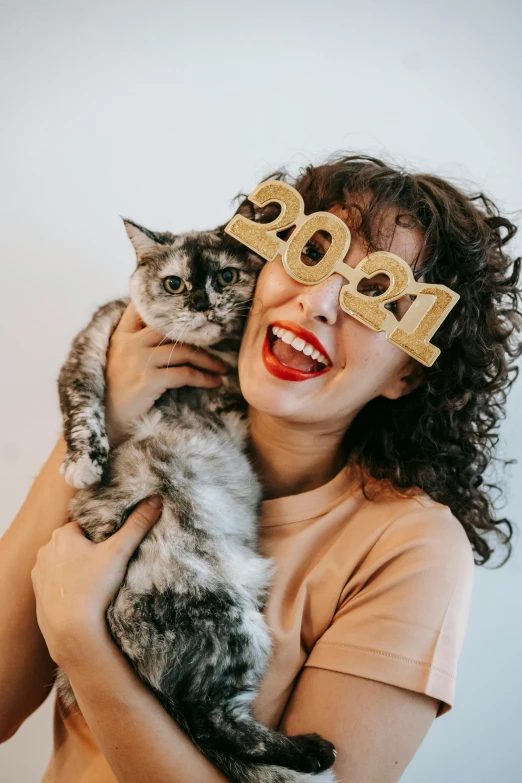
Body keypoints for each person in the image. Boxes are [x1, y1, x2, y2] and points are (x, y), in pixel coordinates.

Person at [1, 154, 520, 783]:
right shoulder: (137, 426)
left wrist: (84, 647)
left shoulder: (411, 545)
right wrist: (101, 421)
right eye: (311, 256)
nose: (319, 306)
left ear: (407, 372)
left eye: (374, 296)